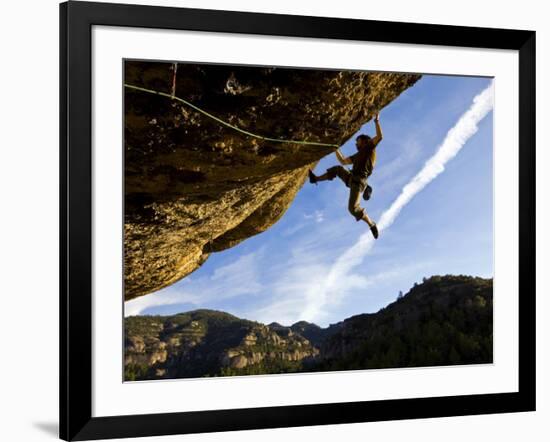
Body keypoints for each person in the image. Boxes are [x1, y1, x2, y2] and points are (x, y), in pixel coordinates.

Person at [308, 113, 383, 239]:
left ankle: (371, 223)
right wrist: (335, 148)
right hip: (351, 177)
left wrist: (376, 122)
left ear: (364, 141)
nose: (356, 143)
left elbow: (380, 136)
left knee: (352, 209)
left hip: (358, 182)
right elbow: (343, 161)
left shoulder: (369, 147)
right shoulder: (357, 155)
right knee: (338, 169)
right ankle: (315, 179)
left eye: (357, 141)